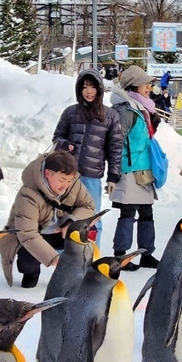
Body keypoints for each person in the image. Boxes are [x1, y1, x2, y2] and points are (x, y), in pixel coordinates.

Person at [0, 150, 95, 288]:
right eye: (62, 180)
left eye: (69, 180)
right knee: (28, 262)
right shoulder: (27, 195)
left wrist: (71, 221)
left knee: (86, 231)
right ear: (47, 173)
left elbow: (88, 206)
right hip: (33, 236)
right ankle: (30, 272)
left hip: (60, 232)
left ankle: (80, 273)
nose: (66, 185)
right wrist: (54, 258)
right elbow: (27, 233)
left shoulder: (73, 185)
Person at [51, 68, 122, 246]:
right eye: (84, 87)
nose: (88, 91)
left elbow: (115, 149)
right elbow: (56, 138)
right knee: (66, 214)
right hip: (67, 175)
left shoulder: (111, 116)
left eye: (92, 87)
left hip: (92, 177)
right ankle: (65, 255)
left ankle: (91, 254)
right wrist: (64, 145)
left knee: (92, 218)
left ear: (99, 89)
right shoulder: (70, 113)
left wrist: (112, 177)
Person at [109, 65, 161, 270]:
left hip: (143, 168)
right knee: (128, 213)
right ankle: (121, 256)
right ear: (134, 86)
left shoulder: (142, 108)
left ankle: (146, 254)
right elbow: (116, 141)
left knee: (147, 213)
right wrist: (114, 172)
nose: (149, 87)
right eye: (145, 83)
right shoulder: (125, 109)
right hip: (129, 168)